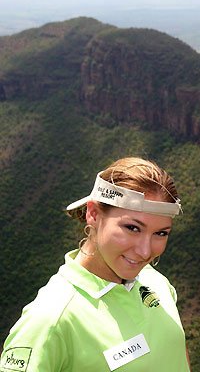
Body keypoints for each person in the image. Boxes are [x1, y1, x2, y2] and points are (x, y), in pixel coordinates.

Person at [0, 157, 190, 371]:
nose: (145, 251)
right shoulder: (51, 319)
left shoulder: (156, 282)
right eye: (132, 228)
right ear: (93, 214)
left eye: (160, 233)